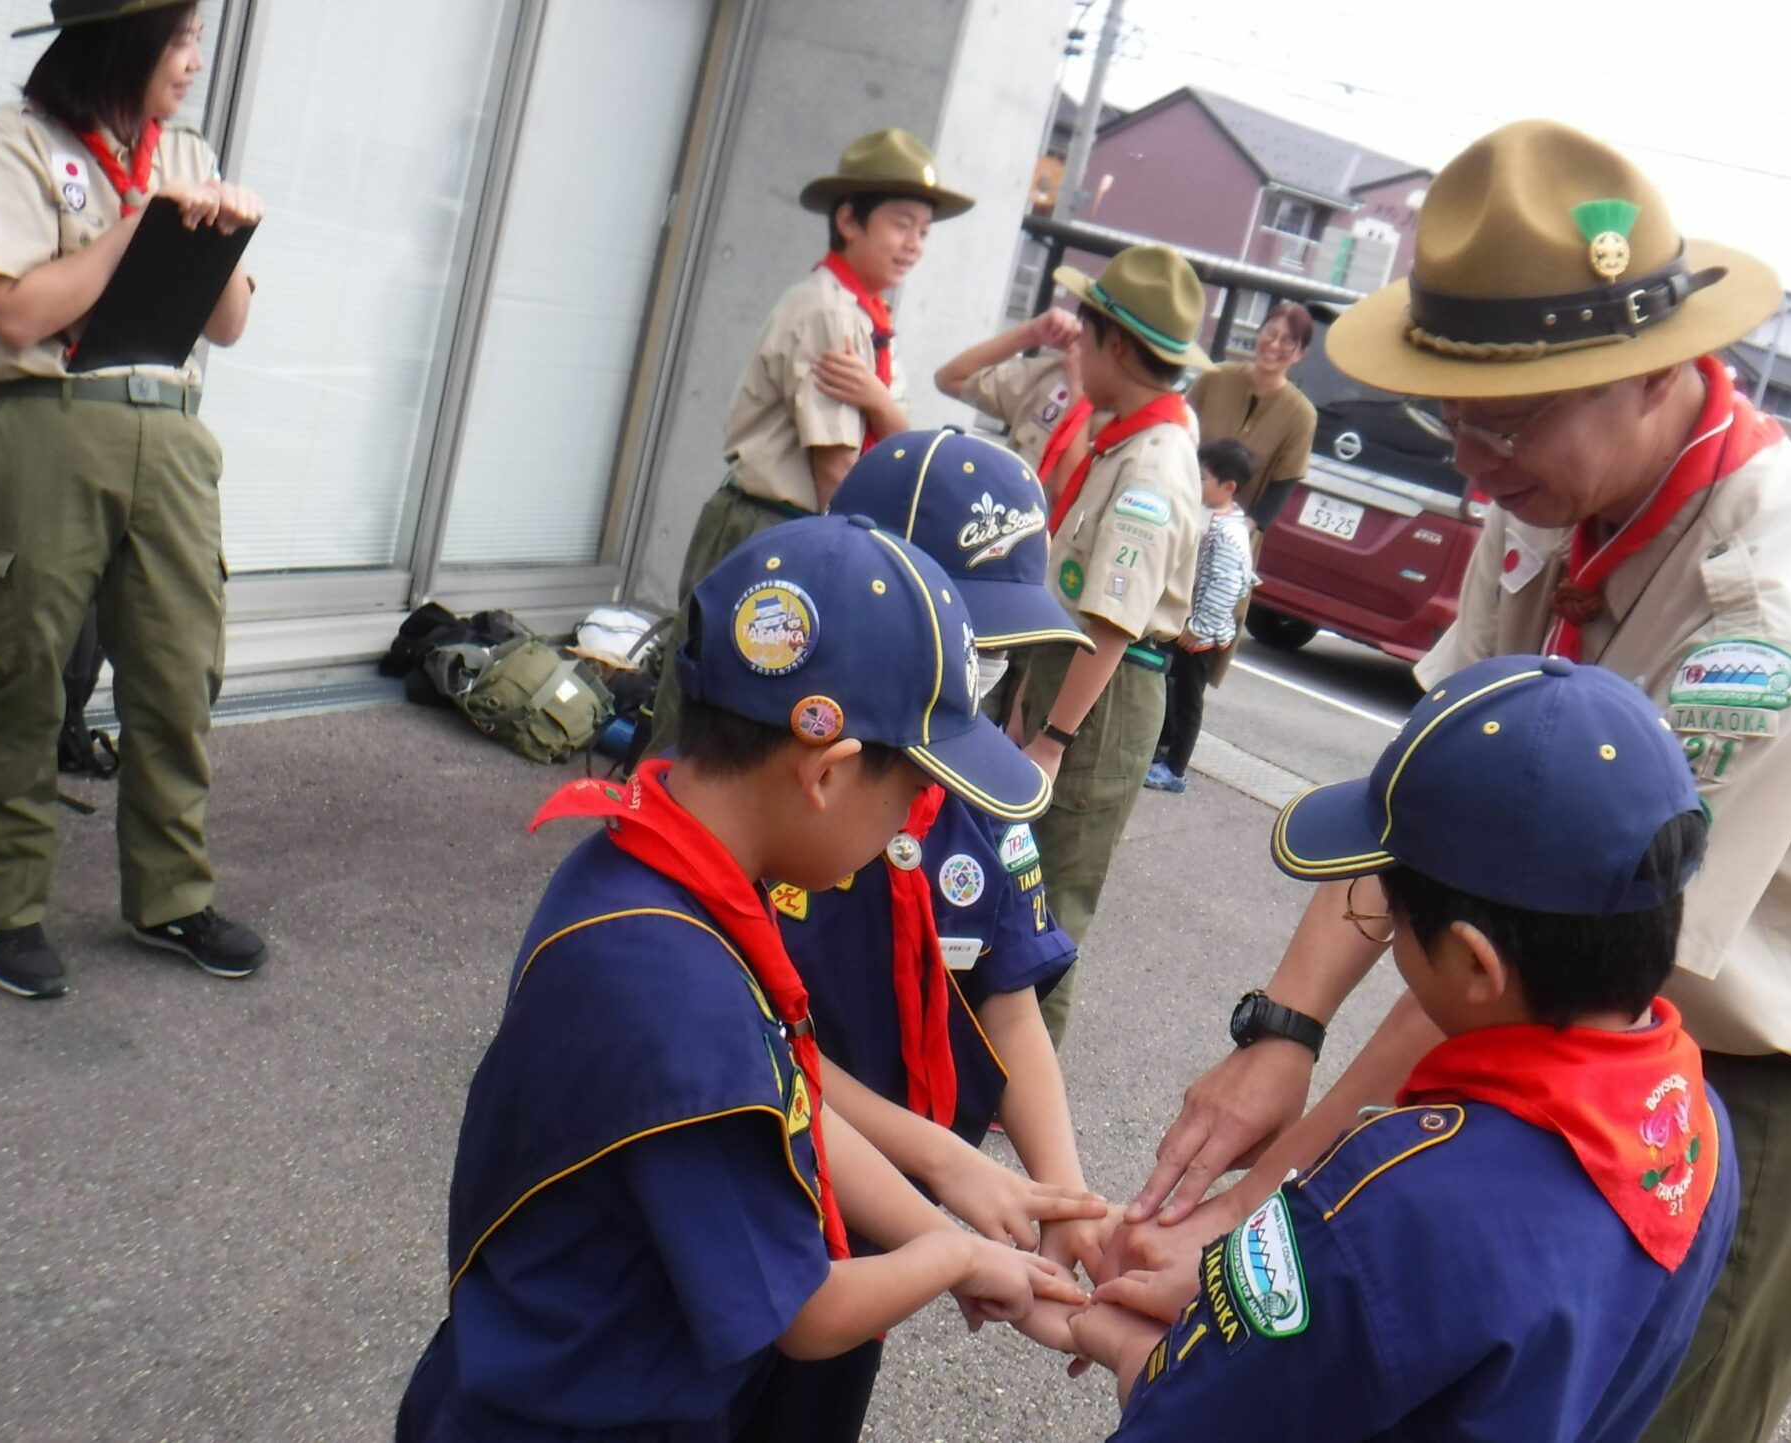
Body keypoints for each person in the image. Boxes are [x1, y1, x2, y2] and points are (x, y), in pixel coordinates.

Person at [1112, 120, 1791, 1443]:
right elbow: (1438, 808)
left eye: (1507, 423)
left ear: (1660, 370)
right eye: (1453, 415)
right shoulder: (1549, 489)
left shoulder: (1779, 620)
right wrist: (1279, 1029)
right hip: (1523, 1027)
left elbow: (1533, 930)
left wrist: (1262, 1211)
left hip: (1725, 1089)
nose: (1473, 461)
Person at [397, 516, 1086, 1443]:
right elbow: (808, 1312)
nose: (904, 829)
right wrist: (953, 1259)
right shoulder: (683, 1002)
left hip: (538, 1368)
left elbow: (790, 1092)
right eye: (909, 790)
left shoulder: (649, 873)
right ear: (828, 773)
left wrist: (946, 1189)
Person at [1071, 653, 1736, 1442]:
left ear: (1474, 962)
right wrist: (1234, 1284)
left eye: (1386, 902)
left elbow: (1192, 1414)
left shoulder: (1394, 1206)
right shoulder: (1696, 1127)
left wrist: (1121, 1339)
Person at [0, 0, 265, 999]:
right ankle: (2, 905)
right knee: (22, 670)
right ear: (121, 44)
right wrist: (138, 227)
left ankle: (171, 895)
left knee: (179, 671)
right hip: (45, 417)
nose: (194, 60)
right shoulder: (9, 144)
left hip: (167, 426)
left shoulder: (187, 150)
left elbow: (233, 321)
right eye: (180, 39)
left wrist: (218, 234)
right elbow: (17, 308)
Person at [786, 428, 1114, 1304]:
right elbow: (756, 1050)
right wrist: (948, 1186)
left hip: (890, 1224)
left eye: (1004, 645)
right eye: (968, 633)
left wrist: (1062, 1196)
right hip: (761, 1173)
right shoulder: (780, 796)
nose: (984, 668)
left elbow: (1009, 1001)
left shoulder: (982, 797)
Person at [651, 128, 973, 747]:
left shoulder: (864, 314)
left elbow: (898, 442)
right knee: (709, 711)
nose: (914, 245)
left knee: (749, 714)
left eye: (925, 232)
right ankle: (652, 836)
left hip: (800, 528)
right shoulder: (829, 313)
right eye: (902, 225)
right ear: (849, 219)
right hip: (772, 526)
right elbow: (837, 471)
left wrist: (879, 402)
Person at [1000, 244, 1211, 1044]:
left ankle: (1023, 1096)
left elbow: (1114, 620)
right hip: (1065, 671)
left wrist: (1053, 738)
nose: (1076, 353)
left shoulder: (1154, 465)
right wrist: (1025, 708)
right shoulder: (1124, 438)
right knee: (1015, 877)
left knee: (1051, 895)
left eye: (1086, 338)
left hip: (1102, 690)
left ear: (1117, 345)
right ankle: (984, 1067)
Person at [1145, 439, 1256, 795]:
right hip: (1191, 627)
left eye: (1203, 477)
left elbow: (1229, 585)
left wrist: (1201, 627)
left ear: (1228, 487)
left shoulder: (1228, 532)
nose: (1197, 482)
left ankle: (1175, 769)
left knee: (1188, 700)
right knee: (1171, 687)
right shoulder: (1217, 519)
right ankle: (1163, 751)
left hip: (1201, 635)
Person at [1183, 302, 1317, 526]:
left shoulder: (1302, 414)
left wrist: (1246, 528)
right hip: (1181, 511)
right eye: (1270, 333)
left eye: (1288, 341)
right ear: (1259, 333)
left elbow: (1283, 483)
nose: (1274, 345)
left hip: (1235, 533)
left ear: (1300, 353)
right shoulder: (1215, 376)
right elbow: (1179, 428)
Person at [935, 307, 1088, 484]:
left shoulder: (1125, 438)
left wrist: (1080, 393)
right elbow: (950, 378)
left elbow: (1066, 493)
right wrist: (1032, 333)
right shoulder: (1059, 375)